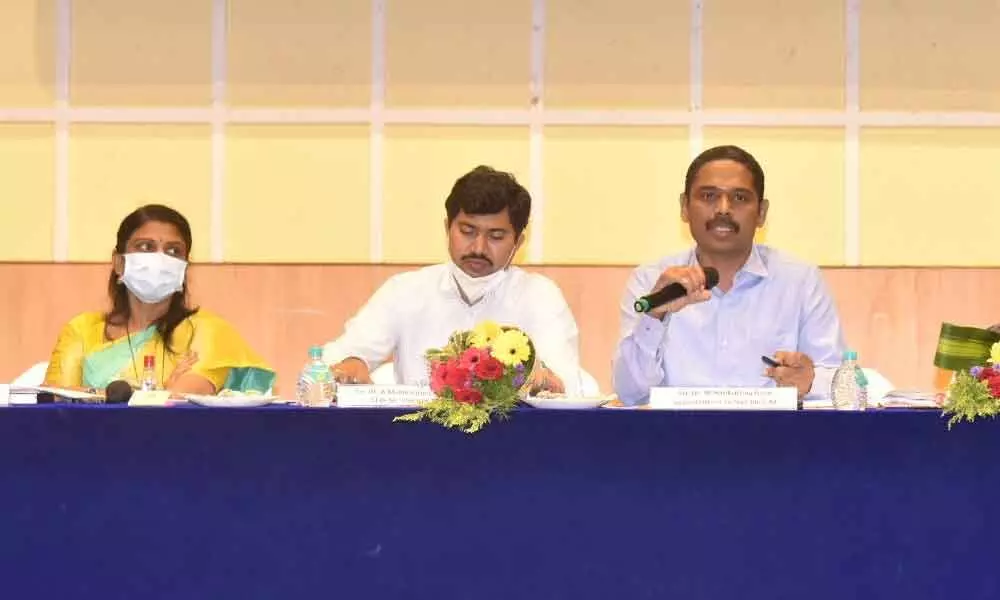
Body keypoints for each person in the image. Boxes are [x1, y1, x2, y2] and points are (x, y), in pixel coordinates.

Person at [613, 145, 845, 405]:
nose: (723, 209)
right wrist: (654, 317)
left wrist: (811, 380)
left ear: (761, 213)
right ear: (684, 207)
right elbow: (630, 393)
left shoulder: (800, 282)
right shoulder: (651, 281)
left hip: (773, 441)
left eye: (740, 198)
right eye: (709, 196)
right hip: (675, 440)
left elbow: (840, 381)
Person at [325, 165, 581, 394]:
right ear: (448, 228)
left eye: (496, 236)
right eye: (467, 231)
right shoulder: (405, 291)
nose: (479, 247)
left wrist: (545, 379)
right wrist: (352, 362)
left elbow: (567, 387)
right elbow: (328, 364)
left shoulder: (539, 296)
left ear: (518, 242)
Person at [44, 204, 274, 394]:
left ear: (184, 267)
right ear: (119, 262)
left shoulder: (207, 331)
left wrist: (93, 394)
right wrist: (157, 393)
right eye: (146, 247)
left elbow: (178, 406)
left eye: (173, 251)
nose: (160, 259)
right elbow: (55, 403)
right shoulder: (82, 330)